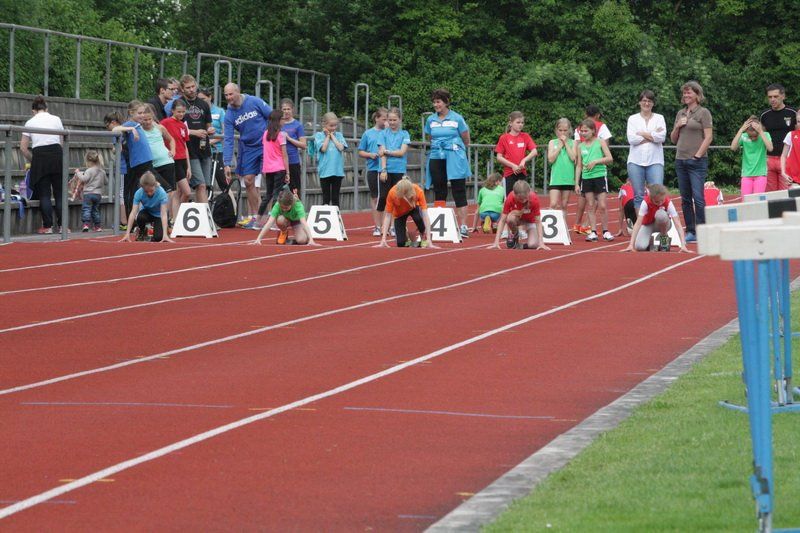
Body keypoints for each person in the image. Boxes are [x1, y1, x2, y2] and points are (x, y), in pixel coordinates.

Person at [222, 83, 273, 228]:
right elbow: (228, 139)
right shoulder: (229, 115)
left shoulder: (254, 101)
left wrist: (274, 136)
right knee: (249, 181)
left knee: (270, 178)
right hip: (249, 148)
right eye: (226, 95)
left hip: (265, 144)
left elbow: (272, 116)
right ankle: (256, 217)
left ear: (238, 92)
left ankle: (273, 216)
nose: (228, 97)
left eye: (231, 94)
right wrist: (226, 162)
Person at [424, 88, 472, 238]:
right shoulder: (430, 120)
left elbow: (466, 138)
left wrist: (456, 147)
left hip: (454, 155)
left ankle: (463, 226)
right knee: (439, 189)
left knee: (458, 189)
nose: (436, 105)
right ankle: (440, 226)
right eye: (434, 102)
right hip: (436, 155)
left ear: (446, 102)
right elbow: (430, 137)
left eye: (438, 102)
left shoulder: (457, 118)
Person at [670, 80, 713, 243]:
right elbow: (673, 139)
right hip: (680, 160)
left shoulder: (704, 112)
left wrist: (697, 156)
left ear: (697, 94)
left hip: (697, 162)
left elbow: (708, 137)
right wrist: (677, 126)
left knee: (698, 198)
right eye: (684, 92)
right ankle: (691, 231)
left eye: (689, 92)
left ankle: (703, 230)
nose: (686, 95)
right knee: (685, 198)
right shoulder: (680, 113)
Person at [19, 95, 64, 234]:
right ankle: (63, 226)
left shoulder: (30, 122)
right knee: (59, 193)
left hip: (40, 155)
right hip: (56, 154)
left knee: (44, 193)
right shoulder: (56, 119)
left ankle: (48, 226)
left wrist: (34, 160)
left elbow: (23, 148)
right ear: (46, 108)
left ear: (33, 110)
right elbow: (61, 142)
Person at [572, 105, 612, 234]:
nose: (583, 133)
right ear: (598, 115)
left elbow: (608, 156)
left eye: (586, 131)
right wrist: (576, 182)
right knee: (590, 202)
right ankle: (588, 227)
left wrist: (596, 160)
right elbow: (579, 162)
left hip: (598, 173)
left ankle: (584, 225)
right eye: (582, 131)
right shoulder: (601, 127)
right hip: (587, 174)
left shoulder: (597, 140)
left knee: (597, 203)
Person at [139, 104, 181, 220]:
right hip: (152, 165)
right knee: (153, 190)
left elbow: (171, 139)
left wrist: (173, 150)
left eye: (149, 119)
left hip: (166, 162)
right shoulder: (139, 130)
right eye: (145, 120)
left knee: (170, 191)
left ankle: (167, 218)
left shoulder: (159, 128)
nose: (148, 122)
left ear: (152, 118)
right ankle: (156, 216)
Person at [177, 75, 215, 203]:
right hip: (189, 150)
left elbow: (208, 125)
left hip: (204, 148)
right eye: (188, 87)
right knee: (200, 184)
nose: (191, 89)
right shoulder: (179, 104)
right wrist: (194, 132)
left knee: (205, 186)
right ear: (182, 89)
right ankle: (204, 213)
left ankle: (203, 212)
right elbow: (176, 127)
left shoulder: (204, 104)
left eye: (193, 86)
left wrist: (210, 130)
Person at [626, 90, 666, 210]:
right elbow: (632, 139)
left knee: (657, 194)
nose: (646, 103)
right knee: (638, 195)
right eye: (644, 100)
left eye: (649, 101)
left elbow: (661, 137)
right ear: (639, 102)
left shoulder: (659, 118)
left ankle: (656, 219)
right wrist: (653, 135)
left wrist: (642, 133)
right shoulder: (632, 119)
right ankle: (641, 221)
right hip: (635, 161)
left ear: (653, 103)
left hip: (655, 161)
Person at [623, 184, 690, 253]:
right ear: (651, 198)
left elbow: (677, 223)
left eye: (662, 200)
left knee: (661, 215)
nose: (660, 203)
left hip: (663, 223)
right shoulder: (645, 202)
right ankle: (650, 242)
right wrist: (631, 245)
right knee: (640, 247)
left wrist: (683, 245)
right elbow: (638, 223)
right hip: (648, 224)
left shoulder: (668, 202)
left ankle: (664, 238)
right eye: (656, 201)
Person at [103, 111, 140, 230]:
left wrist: (114, 149)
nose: (108, 129)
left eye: (107, 125)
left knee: (122, 193)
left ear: (113, 122)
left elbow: (118, 149)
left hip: (124, 167)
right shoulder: (126, 130)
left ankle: (124, 221)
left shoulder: (117, 132)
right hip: (132, 165)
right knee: (131, 192)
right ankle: (131, 219)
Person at [377, 176, 436, 248]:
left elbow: (425, 215)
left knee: (418, 218)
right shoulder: (392, 193)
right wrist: (383, 239)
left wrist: (429, 239)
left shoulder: (418, 191)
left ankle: (423, 236)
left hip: (413, 208)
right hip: (399, 214)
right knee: (401, 244)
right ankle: (407, 237)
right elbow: (388, 216)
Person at [490, 180, 550, 250]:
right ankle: (515, 236)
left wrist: (541, 242)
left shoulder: (534, 199)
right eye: (520, 199)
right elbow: (502, 220)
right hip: (518, 219)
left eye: (525, 198)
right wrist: (496, 242)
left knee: (533, 244)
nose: (523, 201)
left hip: (531, 221)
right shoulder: (510, 198)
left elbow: (538, 221)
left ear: (529, 192)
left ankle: (524, 244)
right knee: (510, 219)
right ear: (514, 194)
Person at [256, 109, 291, 224]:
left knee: (268, 195)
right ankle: (274, 221)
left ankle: (258, 220)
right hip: (279, 168)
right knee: (277, 195)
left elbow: (265, 152)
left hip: (268, 168)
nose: (284, 121)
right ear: (278, 121)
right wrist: (288, 172)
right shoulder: (281, 135)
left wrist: (264, 168)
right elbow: (284, 155)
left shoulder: (265, 134)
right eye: (283, 119)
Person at [159, 100, 193, 216]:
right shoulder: (165, 122)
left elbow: (185, 146)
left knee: (178, 193)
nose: (181, 114)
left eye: (183, 112)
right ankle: (173, 217)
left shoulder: (183, 125)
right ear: (172, 110)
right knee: (185, 192)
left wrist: (188, 166)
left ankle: (176, 218)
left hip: (183, 160)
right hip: (173, 160)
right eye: (179, 112)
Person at [760, 84, 797, 191]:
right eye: (770, 97)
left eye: (775, 96)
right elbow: (762, 137)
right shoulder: (764, 115)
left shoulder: (793, 113)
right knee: (770, 195)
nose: (772, 99)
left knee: (786, 194)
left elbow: (797, 136)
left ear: (783, 96)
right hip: (768, 159)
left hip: (786, 160)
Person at [120, 172, 174, 243]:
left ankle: (165, 230)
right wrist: (127, 233)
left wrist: (164, 235)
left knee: (158, 238)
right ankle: (142, 231)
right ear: (142, 188)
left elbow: (163, 214)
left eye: (151, 191)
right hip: (147, 212)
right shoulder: (139, 193)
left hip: (159, 215)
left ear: (155, 185)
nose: (149, 193)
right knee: (140, 217)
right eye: (146, 191)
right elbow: (133, 213)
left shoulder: (162, 193)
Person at [358, 108, 388, 236]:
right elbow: (361, 151)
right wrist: (370, 155)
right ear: (377, 118)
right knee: (375, 197)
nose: (386, 122)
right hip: (372, 168)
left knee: (386, 198)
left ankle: (387, 226)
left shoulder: (389, 133)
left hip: (386, 169)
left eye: (387, 119)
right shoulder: (368, 133)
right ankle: (377, 226)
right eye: (384, 119)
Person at [377, 107, 410, 220]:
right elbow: (382, 153)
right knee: (383, 197)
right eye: (390, 120)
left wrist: (387, 151)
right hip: (386, 170)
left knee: (398, 198)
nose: (392, 122)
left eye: (394, 120)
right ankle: (381, 225)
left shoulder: (405, 134)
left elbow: (401, 152)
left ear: (400, 119)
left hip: (399, 170)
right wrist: (383, 169)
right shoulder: (383, 134)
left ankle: (394, 225)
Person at [253, 188, 317, 246]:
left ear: (292, 204)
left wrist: (311, 240)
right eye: (282, 207)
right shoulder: (277, 205)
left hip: (297, 221)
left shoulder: (298, 205)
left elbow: (303, 223)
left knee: (301, 241)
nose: (284, 209)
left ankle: (295, 238)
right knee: (280, 220)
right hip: (285, 219)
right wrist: (258, 239)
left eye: (286, 208)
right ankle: (284, 232)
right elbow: (269, 223)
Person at [495, 111, 537, 196]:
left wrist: (524, 160)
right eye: (518, 122)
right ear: (510, 123)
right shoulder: (504, 138)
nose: (520, 125)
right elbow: (499, 157)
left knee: (523, 198)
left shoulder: (525, 136)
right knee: (510, 198)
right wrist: (512, 165)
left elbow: (534, 151)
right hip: (509, 174)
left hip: (522, 173)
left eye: (522, 122)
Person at [730, 116, 772, 196]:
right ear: (746, 131)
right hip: (746, 174)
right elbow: (733, 147)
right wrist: (741, 130)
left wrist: (761, 131)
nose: (752, 138)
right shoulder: (744, 136)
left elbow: (770, 148)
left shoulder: (765, 135)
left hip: (760, 174)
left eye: (755, 136)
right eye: (750, 136)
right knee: (745, 200)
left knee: (758, 200)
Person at [314, 112, 348, 206]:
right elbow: (323, 149)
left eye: (335, 125)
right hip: (325, 171)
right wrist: (328, 136)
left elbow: (341, 148)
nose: (333, 128)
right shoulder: (319, 135)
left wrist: (332, 136)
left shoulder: (339, 135)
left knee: (335, 198)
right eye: (331, 126)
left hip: (337, 171)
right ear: (324, 125)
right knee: (326, 198)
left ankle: (336, 215)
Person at [547, 118, 577, 223]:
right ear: (556, 130)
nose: (563, 133)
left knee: (564, 204)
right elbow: (551, 159)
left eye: (565, 130)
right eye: (560, 130)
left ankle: (563, 226)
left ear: (569, 130)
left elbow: (573, 158)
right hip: (556, 178)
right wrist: (560, 146)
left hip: (568, 178)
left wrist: (566, 144)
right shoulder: (552, 142)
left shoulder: (573, 143)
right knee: (553, 203)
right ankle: (549, 225)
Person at [197, 87, 226, 190]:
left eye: (203, 99)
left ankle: (231, 200)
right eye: (199, 99)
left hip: (217, 150)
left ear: (210, 97)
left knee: (223, 182)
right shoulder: (197, 112)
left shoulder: (220, 111)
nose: (201, 101)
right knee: (204, 183)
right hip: (202, 150)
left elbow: (225, 132)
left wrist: (211, 142)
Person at [74, 150, 108, 232]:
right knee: (95, 210)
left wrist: (78, 173)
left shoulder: (89, 171)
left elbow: (84, 179)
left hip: (88, 194)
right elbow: (106, 182)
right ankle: (97, 226)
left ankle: (86, 224)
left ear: (88, 161)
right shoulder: (102, 171)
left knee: (86, 208)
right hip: (98, 194)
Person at [279, 98, 307, 195]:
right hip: (279, 162)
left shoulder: (298, 125)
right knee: (280, 193)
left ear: (292, 110)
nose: (286, 111)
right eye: (284, 109)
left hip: (293, 161)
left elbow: (303, 145)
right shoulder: (278, 124)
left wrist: (289, 138)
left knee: (295, 191)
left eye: (288, 109)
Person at [780, 109, 800, 186]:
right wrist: (783, 172)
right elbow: (783, 155)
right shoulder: (791, 135)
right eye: (798, 121)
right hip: (793, 178)